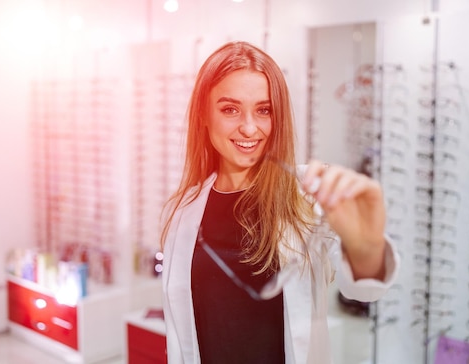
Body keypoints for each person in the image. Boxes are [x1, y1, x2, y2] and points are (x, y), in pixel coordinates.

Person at [159, 40, 399, 364]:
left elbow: (365, 290)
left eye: (264, 110)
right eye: (230, 109)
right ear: (203, 114)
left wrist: (365, 243)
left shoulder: (306, 196)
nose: (249, 127)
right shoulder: (184, 210)